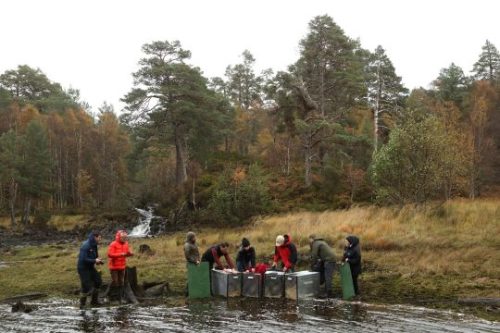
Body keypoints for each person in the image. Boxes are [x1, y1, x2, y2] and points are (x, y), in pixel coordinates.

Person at [77, 231, 104, 309]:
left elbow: (95, 256)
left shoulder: (94, 245)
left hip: (90, 267)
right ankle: (82, 305)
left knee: (98, 281)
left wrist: (98, 260)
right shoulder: (86, 246)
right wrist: (95, 261)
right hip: (83, 269)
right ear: (95, 237)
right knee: (86, 287)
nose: (100, 239)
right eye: (99, 238)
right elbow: (84, 259)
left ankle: (94, 301)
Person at [107, 230, 133, 302]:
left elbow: (128, 252)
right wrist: (120, 254)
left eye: (125, 237)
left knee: (121, 282)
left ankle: (119, 298)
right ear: (119, 237)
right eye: (123, 237)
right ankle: (110, 295)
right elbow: (109, 254)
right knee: (115, 281)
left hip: (122, 266)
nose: (124, 239)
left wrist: (130, 253)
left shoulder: (126, 244)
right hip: (114, 267)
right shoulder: (113, 244)